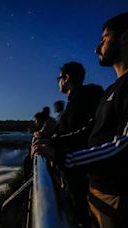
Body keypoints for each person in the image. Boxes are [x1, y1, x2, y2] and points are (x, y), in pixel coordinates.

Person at [33, 10, 128, 228]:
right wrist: (52, 142)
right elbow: (90, 130)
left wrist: (63, 157)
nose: (96, 48)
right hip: (98, 191)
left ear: (125, 37)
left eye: (104, 39)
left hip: (126, 199)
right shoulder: (112, 88)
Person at [44, 61, 104, 227]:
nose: (58, 82)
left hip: (79, 172)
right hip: (77, 168)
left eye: (59, 78)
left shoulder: (79, 101)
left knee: (80, 216)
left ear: (67, 78)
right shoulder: (77, 101)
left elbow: (79, 134)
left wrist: (50, 141)